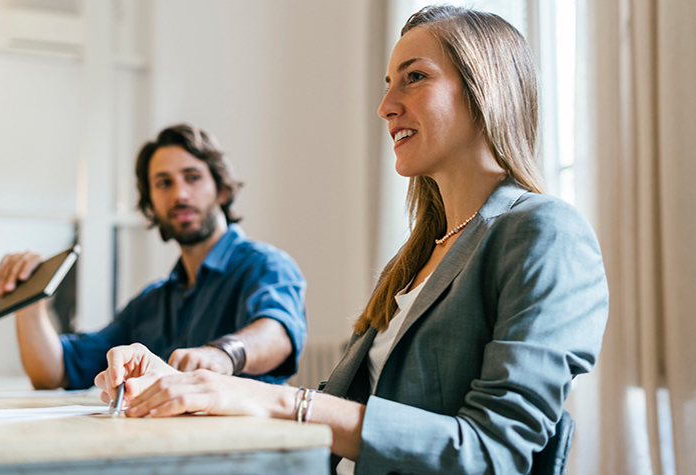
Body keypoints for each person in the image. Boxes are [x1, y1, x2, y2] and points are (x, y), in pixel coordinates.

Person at [94, 6, 609, 474]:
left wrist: (274, 401)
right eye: (389, 83)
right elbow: (341, 407)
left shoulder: (544, 231)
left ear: (484, 89)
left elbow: (491, 452)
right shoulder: (414, 259)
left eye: (414, 78)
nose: (386, 105)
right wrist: (192, 387)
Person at [0, 124, 307, 390]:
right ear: (151, 204)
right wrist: (29, 302)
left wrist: (222, 354)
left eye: (193, 177)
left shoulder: (266, 265)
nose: (180, 195)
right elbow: (55, 372)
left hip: (248, 451)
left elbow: (278, 333)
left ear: (222, 190)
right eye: (163, 183)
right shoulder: (151, 303)